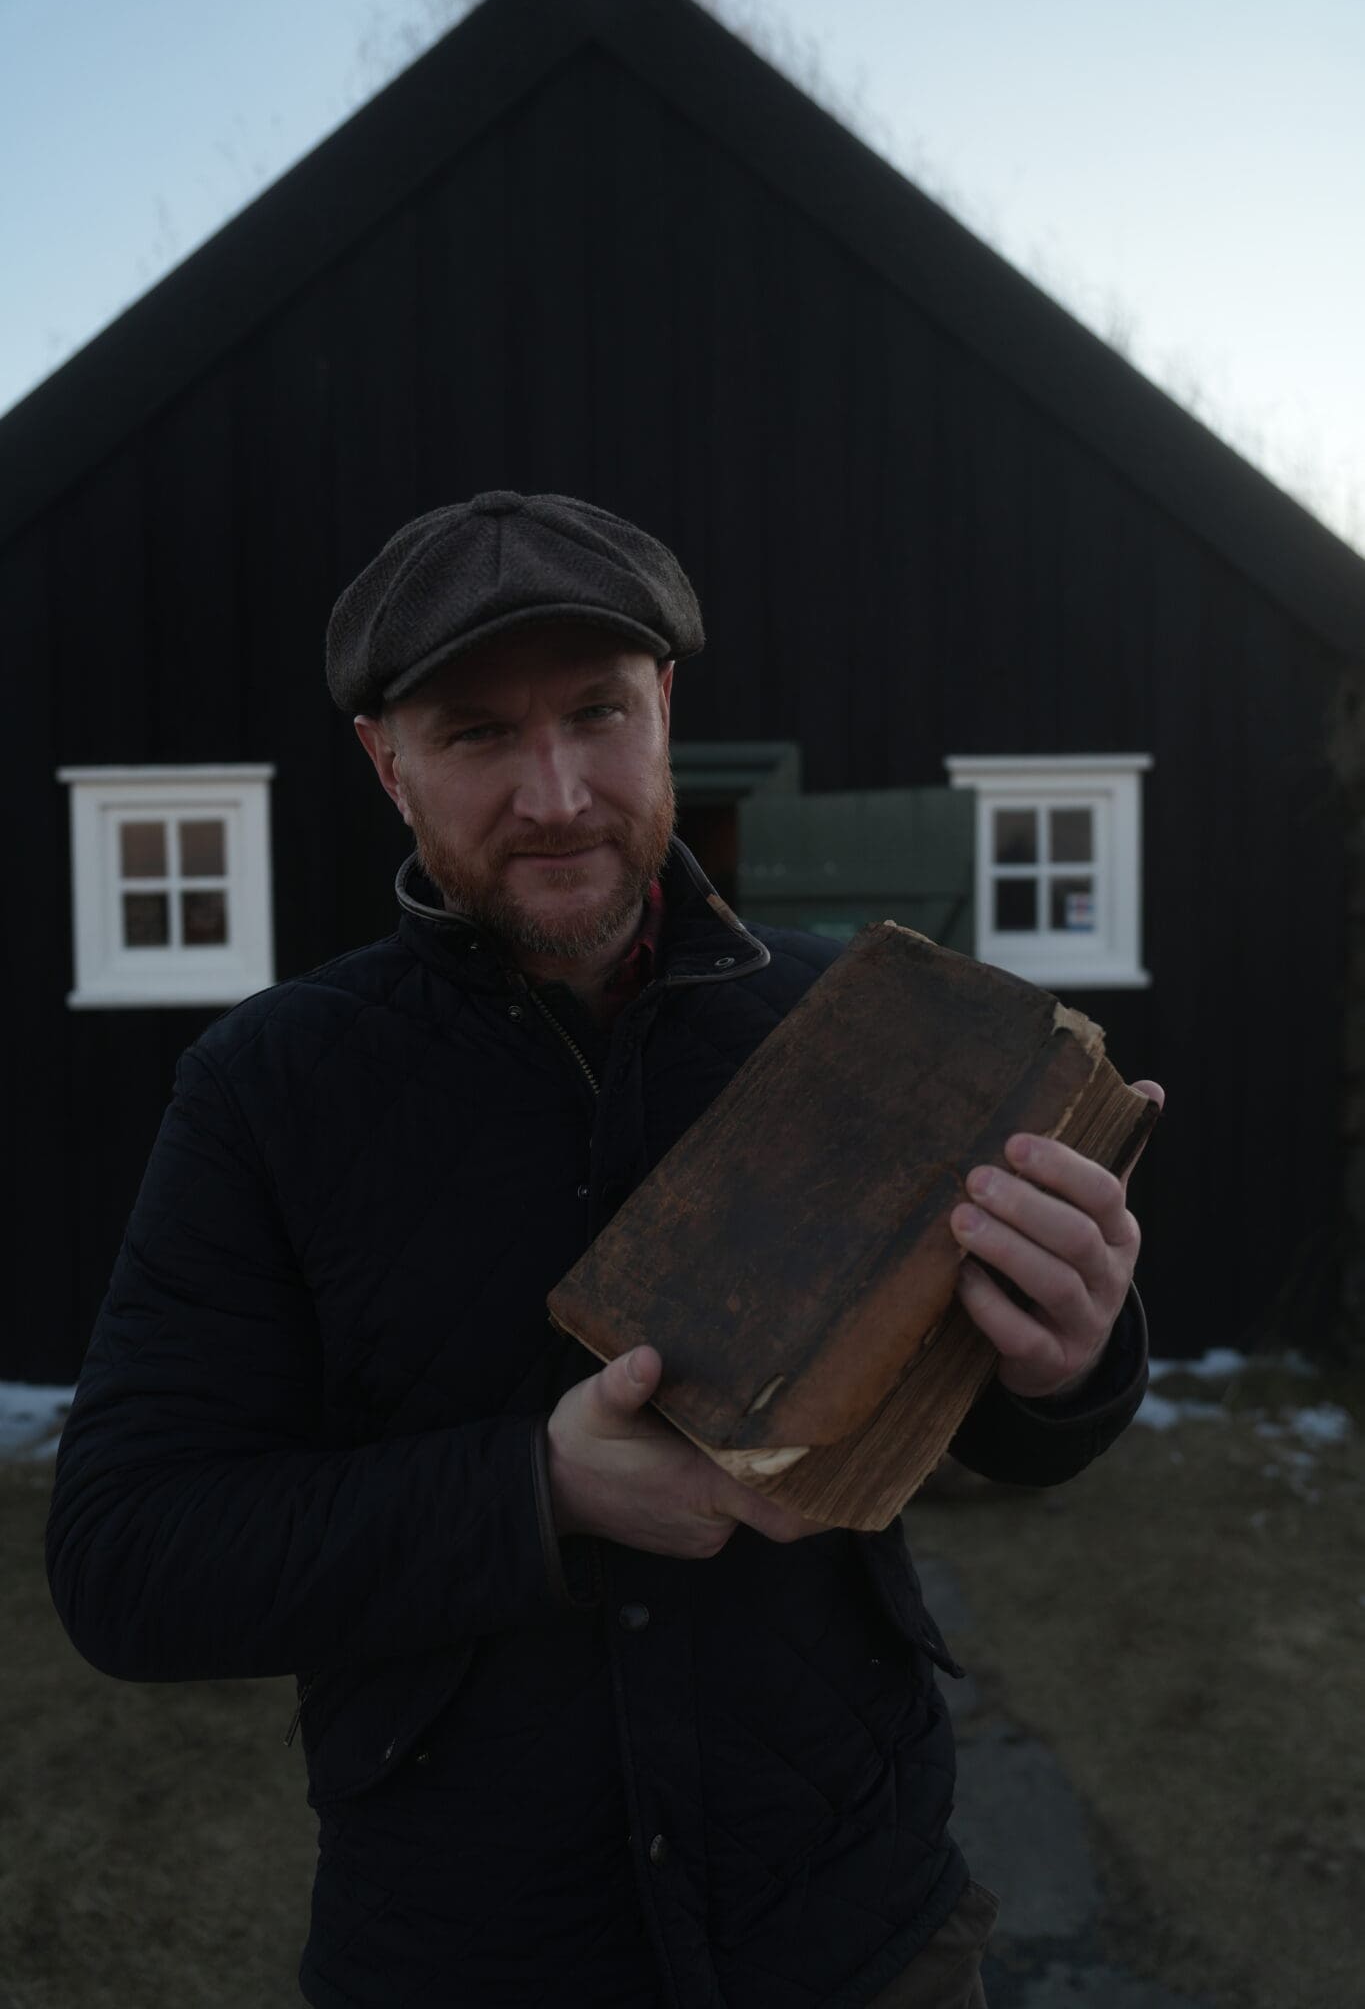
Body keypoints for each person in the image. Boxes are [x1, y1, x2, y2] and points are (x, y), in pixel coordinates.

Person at [47, 490, 1162, 2009]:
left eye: (596, 712)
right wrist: (542, 1491)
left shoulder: (846, 1027)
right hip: (465, 1960)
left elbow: (988, 1428)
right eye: (476, 734)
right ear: (385, 763)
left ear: (665, 708)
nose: (558, 794)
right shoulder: (270, 1092)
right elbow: (127, 1562)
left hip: (859, 1934)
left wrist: (1073, 1363)